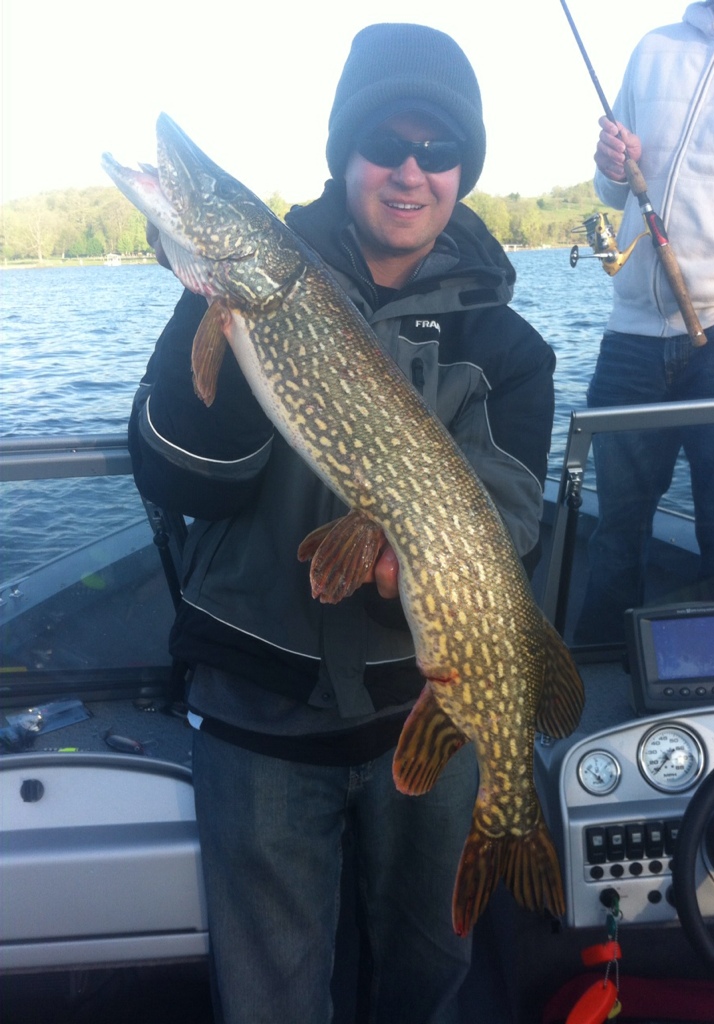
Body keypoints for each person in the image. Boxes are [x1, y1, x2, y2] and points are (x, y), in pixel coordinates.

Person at [129, 22, 556, 1024]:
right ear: (343, 155)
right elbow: (181, 474)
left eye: (438, 150)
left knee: (425, 981)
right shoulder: (264, 288)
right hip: (259, 712)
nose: (411, 170)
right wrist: (211, 310)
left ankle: (510, 825)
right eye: (384, 144)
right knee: (270, 1003)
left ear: (461, 171)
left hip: (425, 711)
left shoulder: (508, 347)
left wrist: (407, 571)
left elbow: (506, 528)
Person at [575, 0, 714, 645]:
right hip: (631, 335)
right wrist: (611, 164)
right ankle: (599, 667)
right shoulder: (654, 48)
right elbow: (613, 190)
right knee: (614, 530)